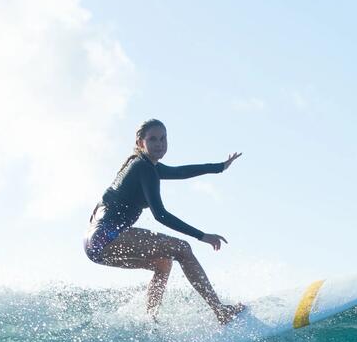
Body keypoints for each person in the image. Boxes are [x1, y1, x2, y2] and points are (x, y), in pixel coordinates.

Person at [84, 119, 245, 324]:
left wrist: (220, 167)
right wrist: (202, 236)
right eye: (153, 139)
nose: (160, 143)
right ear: (141, 142)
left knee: (163, 263)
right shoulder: (143, 167)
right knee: (183, 248)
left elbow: (180, 172)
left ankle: (150, 321)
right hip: (106, 237)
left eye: (163, 138)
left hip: (95, 246)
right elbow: (160, 215)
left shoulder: (147, 167)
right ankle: (220, 310)